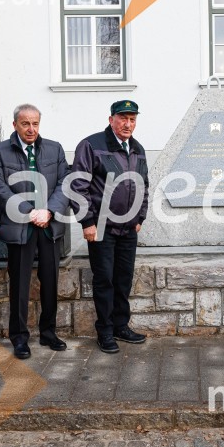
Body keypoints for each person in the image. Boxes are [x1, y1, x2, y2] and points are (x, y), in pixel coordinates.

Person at [0, 104, 70, 359]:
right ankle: (19, 338)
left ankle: (49, 333)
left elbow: (63, 183)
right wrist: (28, 210)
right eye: (25, 124)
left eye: (35, 123)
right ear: (15, 125)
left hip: (49, 226)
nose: (31, 129)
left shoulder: (54, 149)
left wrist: (48, 211)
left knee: (50, 282)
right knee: (20, 285)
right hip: (19, 228)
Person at [71, 100, 149, 354]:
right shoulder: (92, 145)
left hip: (128, 228)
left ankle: (120, 326)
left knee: (123, 279)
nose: (128, 124)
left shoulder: (138, 149)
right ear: (111, 119)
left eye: (132, 119)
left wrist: (140, 218)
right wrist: (87, 222)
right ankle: (105, 331)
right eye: (123, 118)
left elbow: (144, 185)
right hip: (101, 227)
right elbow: (78, 187)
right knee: (104, 280)